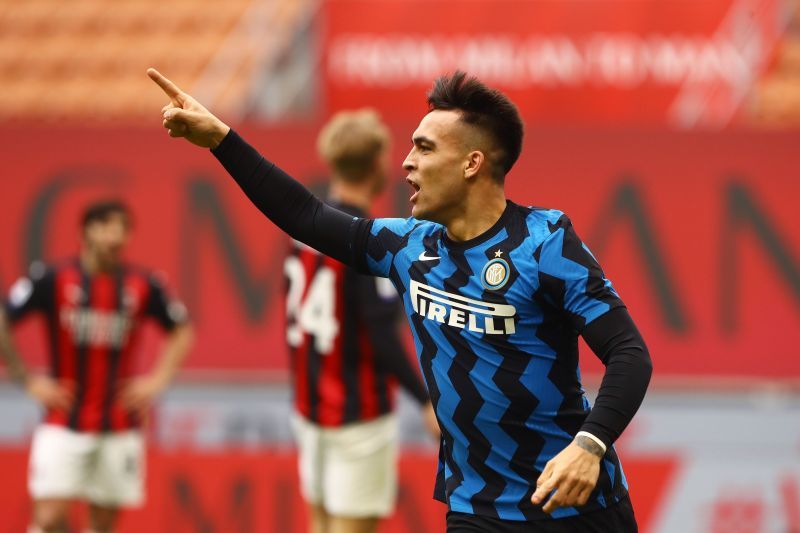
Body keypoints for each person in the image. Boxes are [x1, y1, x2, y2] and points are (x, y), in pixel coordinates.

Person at [148, 68, 653, 532]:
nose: (407, 162)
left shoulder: (544, 243)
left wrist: (590, 445)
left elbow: (629, 354)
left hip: (578, 504)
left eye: (425, 148)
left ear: (472, 163)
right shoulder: (408, 246)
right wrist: (222, 141)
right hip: (477, 507)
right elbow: (305, 215)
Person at [286, 108, 438, 533]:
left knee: (320, 522)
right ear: (378, 164)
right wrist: (424, 400)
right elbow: (380, 331)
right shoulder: (368, 239)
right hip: (359, 413)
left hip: (309, 404)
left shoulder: (301, 232)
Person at [0, 200, 193, 533]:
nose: (115, 235)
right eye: (106, 226)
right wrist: (26, 379)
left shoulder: (144, 285)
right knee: (48, 519)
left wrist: (157, 381)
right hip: (64, 420)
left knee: (102, 525)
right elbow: (3, 318)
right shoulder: (52, 278)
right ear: (84, 232)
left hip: (119, 424)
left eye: (122, 228)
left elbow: (182, 330)